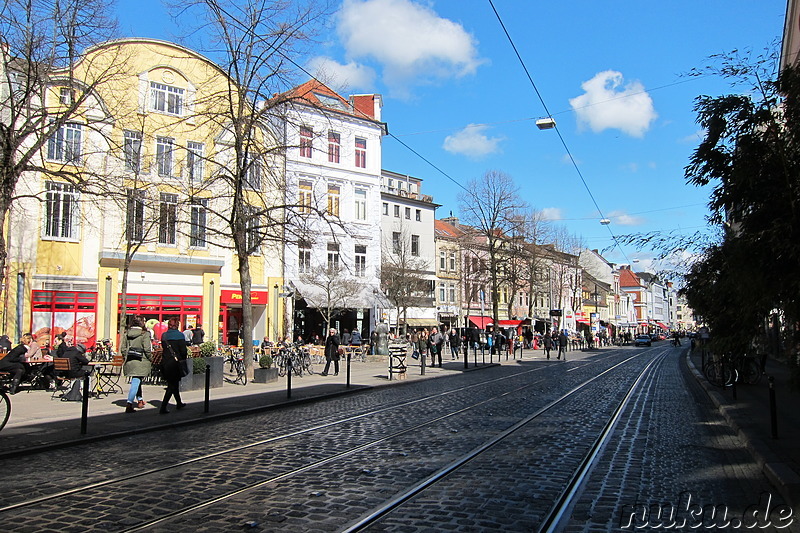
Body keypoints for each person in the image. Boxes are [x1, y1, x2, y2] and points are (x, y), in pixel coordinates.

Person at [121, 316, 153, 413]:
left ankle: (140, 400)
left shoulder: (127, 333)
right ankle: (129, 403)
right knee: (136, 381)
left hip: (130, 360)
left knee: (137, 380)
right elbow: (147, 349)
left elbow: (123, 348)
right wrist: (150, 358)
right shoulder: (144, 334)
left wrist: (125, 356)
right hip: (141, 360)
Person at [160, 317, 188, 414]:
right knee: (172, 385)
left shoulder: (164, 336)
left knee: (174, 384)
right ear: (177, 325)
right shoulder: (180, 336)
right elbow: (183, 351)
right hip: (176, 363)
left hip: (166, 362)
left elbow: (164, 348)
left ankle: (179, 403)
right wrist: (183, 360)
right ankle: (163, 407)